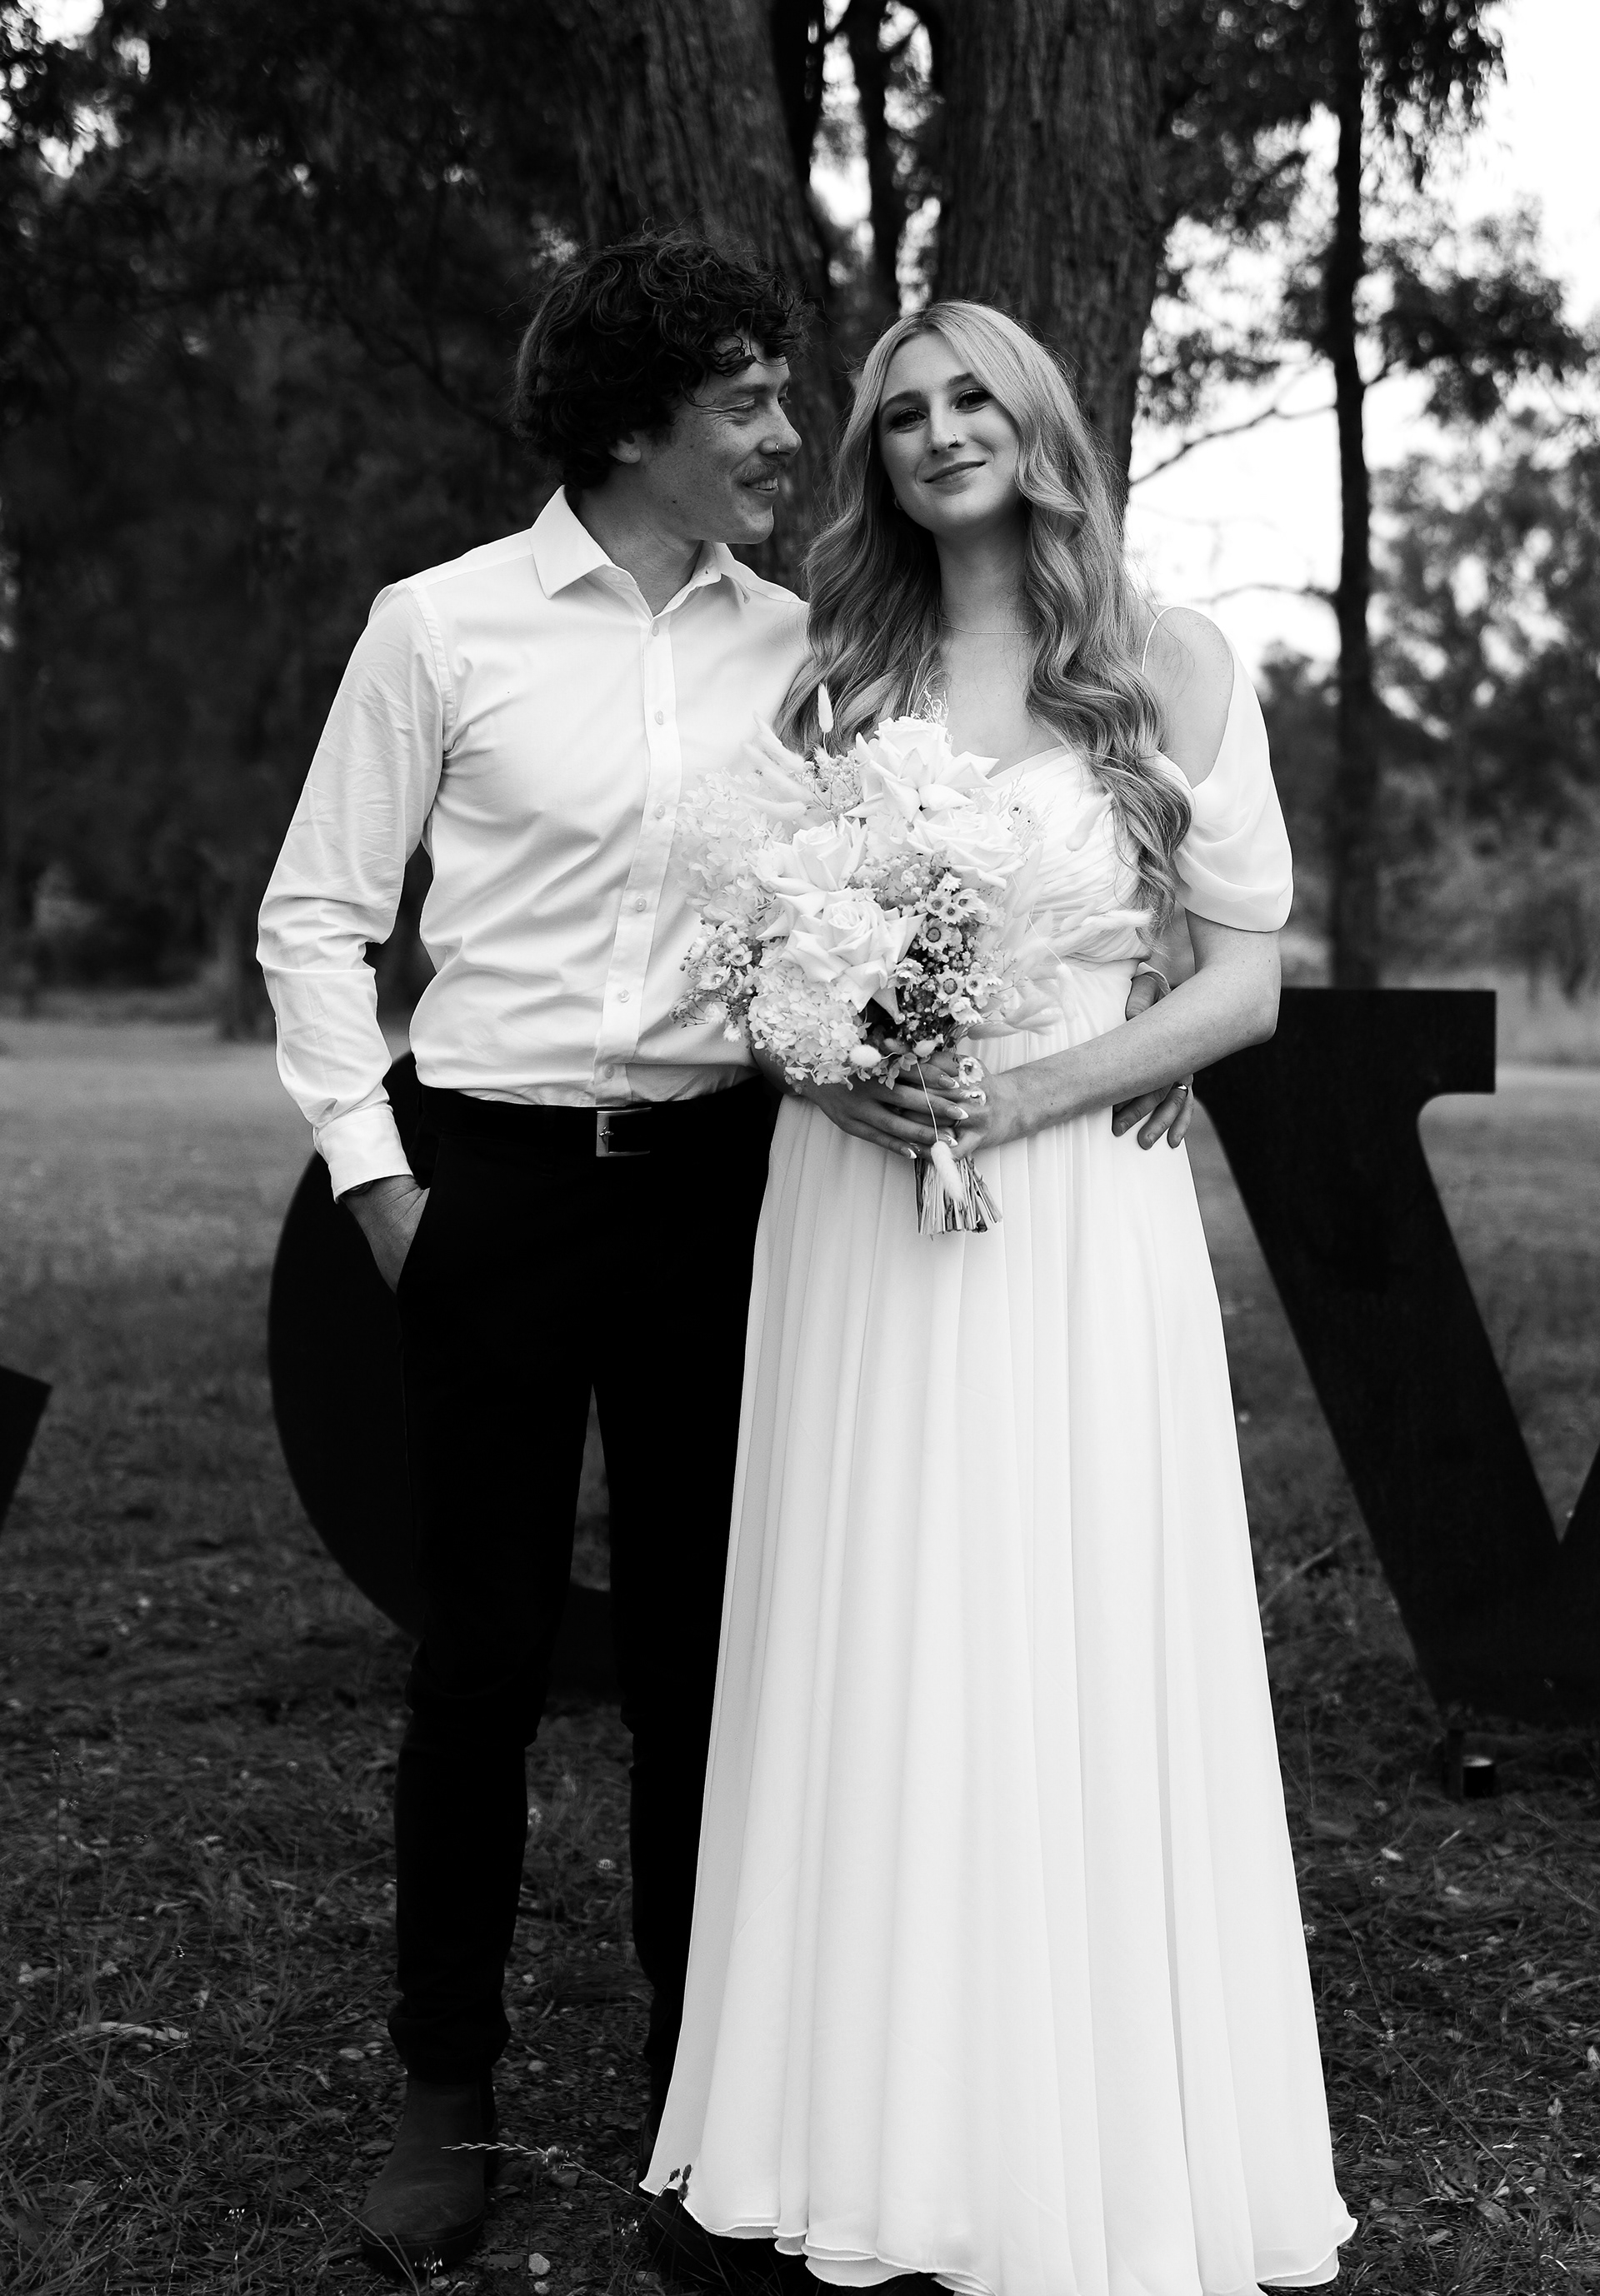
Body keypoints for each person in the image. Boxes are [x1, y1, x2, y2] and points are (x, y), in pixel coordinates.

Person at [258, 237, 1191, 2277]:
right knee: (484, 1652)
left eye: (785, 393)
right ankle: (444, 2085)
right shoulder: (441, 628)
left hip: (723, 1191)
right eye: (749, 399)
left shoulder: (817, 649)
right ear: (630, 426)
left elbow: (976, 859)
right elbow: (315, 919)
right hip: (491, 1182)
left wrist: (1139, 1022)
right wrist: (385, 1190)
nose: (791, 430)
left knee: (715, 1656)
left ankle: (705, 2081)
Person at [642, 302, 1358, 2296]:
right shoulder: (831, 670)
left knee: (1071, 1627)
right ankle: (854, 2135)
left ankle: (1085, 2146)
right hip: (856, 1213)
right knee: (875, 1628)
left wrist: (1029, 1096)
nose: (939, 431)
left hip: (1075, 1211)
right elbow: (762, 968)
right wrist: (834, 1072)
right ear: (874, 457)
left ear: (1039, 422)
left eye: (973, 397)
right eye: (902, 412)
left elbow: (1244, 979)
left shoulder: (1168, 658)